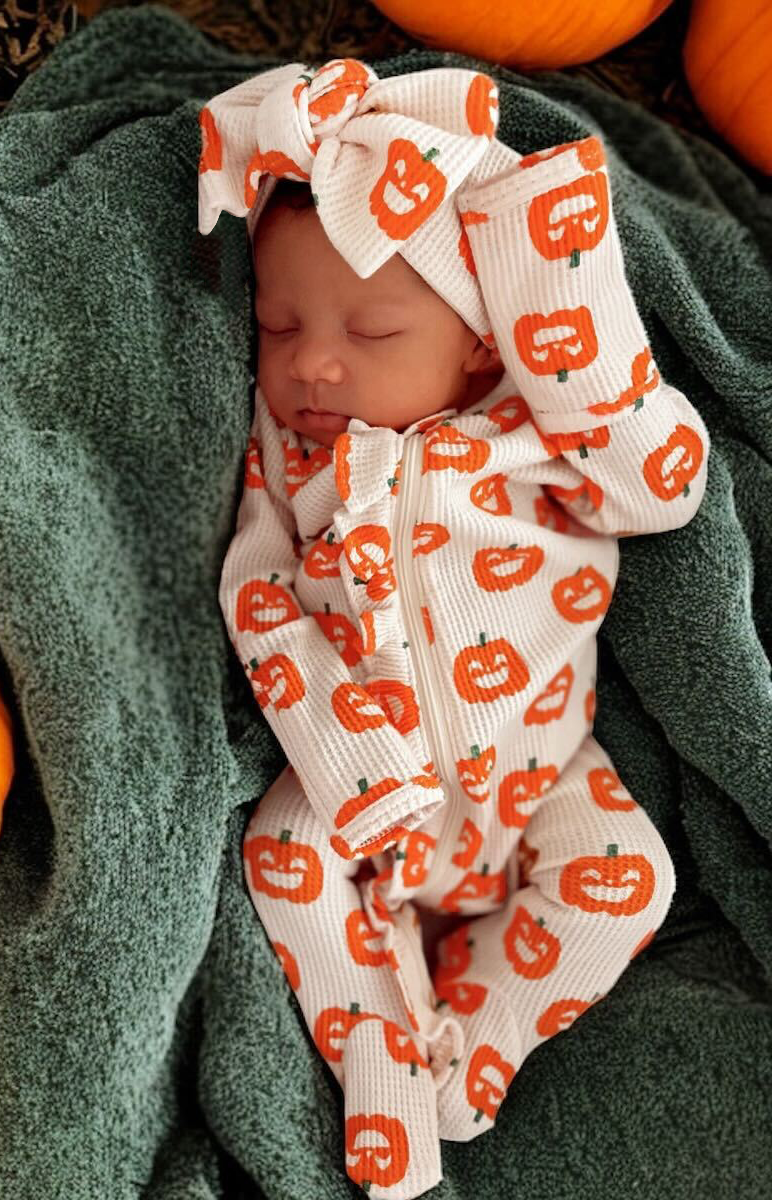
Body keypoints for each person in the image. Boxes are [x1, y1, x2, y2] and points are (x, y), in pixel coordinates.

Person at [199, 58, 710, 1200]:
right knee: (282, 856)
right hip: (366, 787)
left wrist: (554, 288)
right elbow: (259, 598)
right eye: (278, 326)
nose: (311, 362)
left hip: (539, 776)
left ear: (482, 341)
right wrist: (354, 766)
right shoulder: (293, 465)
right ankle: (382, 1063)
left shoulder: (540, 439)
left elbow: (662, 485)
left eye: (372, 331)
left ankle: (471, 1051)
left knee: (631, 876)